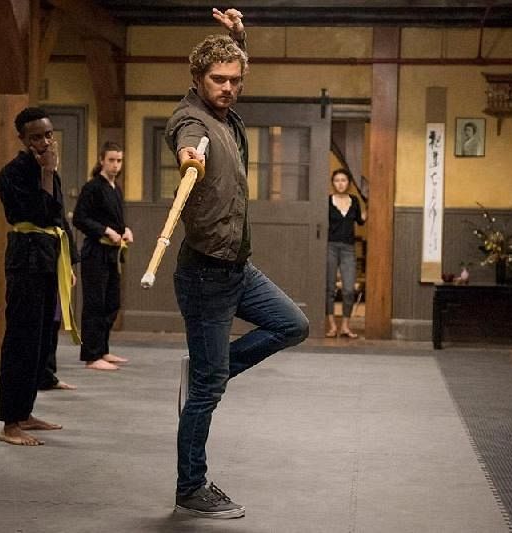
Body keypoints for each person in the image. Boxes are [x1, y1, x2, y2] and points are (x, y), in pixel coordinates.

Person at [164, 7, 309, 519]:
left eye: (234, 80)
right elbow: (187, 143)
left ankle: (210, 369)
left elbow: (234, 65)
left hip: (238, 268)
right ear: (197, 79)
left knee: (293, 325)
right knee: (207, 392)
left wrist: (239, 38)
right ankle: (190, 487)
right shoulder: (192, 121)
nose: (227, 87)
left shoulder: (226, 114)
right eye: (217, 80)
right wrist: (190, 160)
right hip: (205, 273)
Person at [0, 107, 77, 446]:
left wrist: (69, 264)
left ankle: (25, 413)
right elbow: (37, 214)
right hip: (25, 261)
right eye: (36, 137)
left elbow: (58, 218)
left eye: (48, 135)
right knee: (21, 341)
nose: (45, 142)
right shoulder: (11, 174)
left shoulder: (49, 171)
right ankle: (10, 424)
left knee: (42, 342)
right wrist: (46, 173)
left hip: (48, 259)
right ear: (23, 139)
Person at [73, 142, 132, 371]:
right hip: (95, 253)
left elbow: (115, 219)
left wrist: (125, 230)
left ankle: (103, 349)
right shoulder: (92, 187)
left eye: (119, 160)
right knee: (95, 304)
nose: (116, 165)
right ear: (101, 161)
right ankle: (91, 355)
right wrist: (105, 231)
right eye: (111, 160)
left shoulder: (116, 188)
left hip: (112, 254)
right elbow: (80, 218)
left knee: (111, 303)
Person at [325, 168, 366, 338]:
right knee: (330, 288)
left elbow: (360, 221)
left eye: (343, 180)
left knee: (349, 289)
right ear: (333, 183)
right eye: (337, 180)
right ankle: (332, 326)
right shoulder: (327, 201)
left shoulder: (354, 201)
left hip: (349, 248)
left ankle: (345, 326)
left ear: (348, 183)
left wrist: (369, 207)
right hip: (330, 247)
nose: (340, 183)